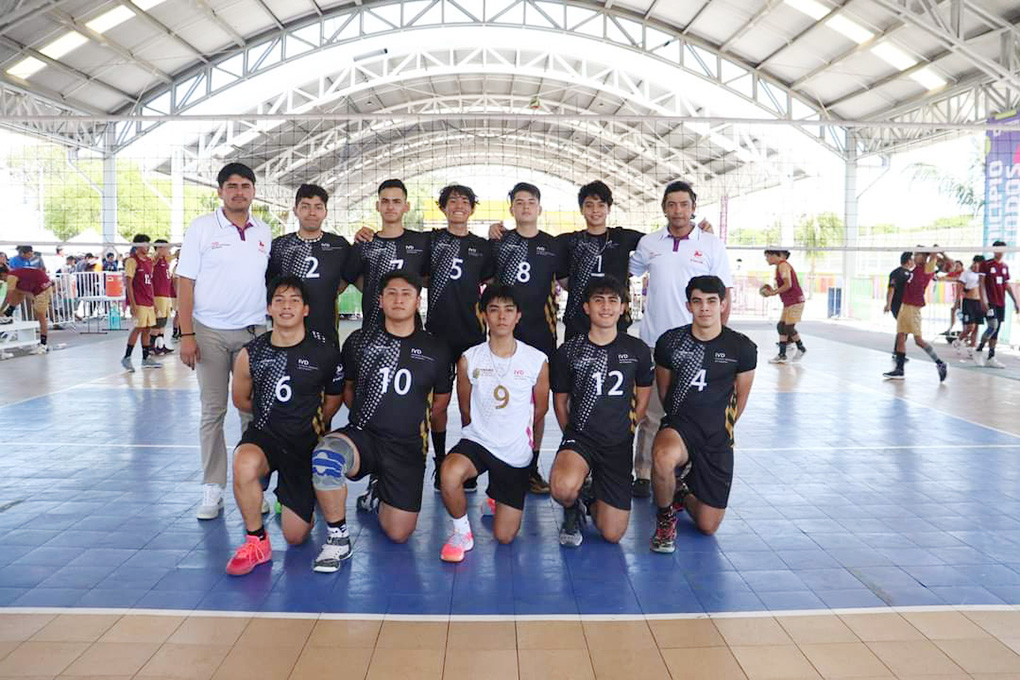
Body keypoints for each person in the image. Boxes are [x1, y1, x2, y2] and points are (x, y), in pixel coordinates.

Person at [309, 271, 452, 569]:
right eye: (392, 293)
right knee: (327, 457)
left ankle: (378, 491)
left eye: (406, 294)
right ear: (380, 300)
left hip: (407, 447)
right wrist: (368, 416)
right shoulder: (359, 342)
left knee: (398, 533)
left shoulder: (436, 348)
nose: (398, 299)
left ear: (417, 301)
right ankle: (338, 538)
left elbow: (440, 404)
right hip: (365, 437)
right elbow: (348, 389)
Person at [224, 276, 345, 576]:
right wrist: (274, 414)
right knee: (243, 462)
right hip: (265, 436)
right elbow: (241, 400)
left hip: (304, 444)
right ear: (269, 308)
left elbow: (334, 399)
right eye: (279, 300)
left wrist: (311, 422)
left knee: (295, 536)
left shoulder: (324, 352)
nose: (286, 306)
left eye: (294, 300)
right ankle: (256, 541)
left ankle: (299, 499)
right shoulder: (252, 353)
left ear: (305, 309)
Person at [177, 162, 271, 520]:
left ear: (254, 191)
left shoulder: (264, 231)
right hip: (210, 332)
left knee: (253, 412)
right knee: (213, 411)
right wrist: (187, 334)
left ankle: (254, 486)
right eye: (231, 186)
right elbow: (185, 283)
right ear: (220, 192)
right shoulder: (202, 228)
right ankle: (212, 488)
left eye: (245, 186)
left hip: (253, 332)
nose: (239, 192)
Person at [628, 180, 727, 499]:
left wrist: (716, 340)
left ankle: (689, 473)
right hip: (655, 342)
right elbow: (626, 268)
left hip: (696, 344)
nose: (678, 210)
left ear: (693, 207)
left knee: (695, 411)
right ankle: (644, 473)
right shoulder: (649, 243)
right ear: (664, 208)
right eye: (671, 204)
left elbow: (724, 294)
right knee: (651, 413)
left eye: (684, 204)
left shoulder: (711, 244)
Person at [437, 284, 548, 562]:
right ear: (484, 314)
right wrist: (482, 430)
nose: (501, 316)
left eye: (508, 310)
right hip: (479, 442)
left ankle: (495, 496)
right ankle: (462, 533)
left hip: (514, 453)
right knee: (448, 473)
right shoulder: (469, 359)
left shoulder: (537, 360)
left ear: (518, 316)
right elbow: (465, 407)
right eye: (494, 309)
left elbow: (540, 409)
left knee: (505, 536)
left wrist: (513, 432)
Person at [650, 276, 756, 550]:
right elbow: (665, 391)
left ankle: (681, 492)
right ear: (688, 305)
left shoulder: (742, 348)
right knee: (663, 457)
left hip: (717, 437)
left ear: (723, 304)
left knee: (708, 526)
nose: (704, 308)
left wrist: (719, 429)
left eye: (711, 301)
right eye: (697, 301)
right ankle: (665, 518)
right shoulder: (670, 342)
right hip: (680, 429)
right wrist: (679, 422)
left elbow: (741, 398)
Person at [549, 276, 653, 547]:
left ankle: (589, 496)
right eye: (598, 300)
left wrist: (629, 428)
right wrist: (571, 435)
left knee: (612, 534)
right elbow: (560, 402)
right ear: (586, 307)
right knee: (562, 487)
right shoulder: (569, 351)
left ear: (622, 307)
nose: (606, 307)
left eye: (612, 301)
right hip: (581, 438)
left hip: (617, 443)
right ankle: (571, 506)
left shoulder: (637, 350)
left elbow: (643, 396)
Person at [490, 182, 568, 494]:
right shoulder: (499, 243)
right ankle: (499, 467)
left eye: (530, 201)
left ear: (539, 208)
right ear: (511, 208)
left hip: (541, 335)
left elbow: (569, 282)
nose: (525, 206)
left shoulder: (553, 245)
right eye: (519, 202)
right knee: (499, 401)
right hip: (504, 336)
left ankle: (531, 468)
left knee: (537, 405)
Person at [419, 184, 494, 494]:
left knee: (470, 406)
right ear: (443, 207)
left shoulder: (482, 246)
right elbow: (421, 275)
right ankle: (440, 462)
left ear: (472, 208)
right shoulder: (431, 241)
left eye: (465, 201)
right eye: (452, 201)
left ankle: (468, 463)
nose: (459, 205)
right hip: (437, 334)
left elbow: (491, 283)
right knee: (438, 406)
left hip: (471, 336)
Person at [267, 184, 350, 346]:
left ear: (325, 212)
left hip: (325, 332)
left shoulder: (339, 245)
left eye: (318, 207)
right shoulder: (280, 245)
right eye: (305, 207)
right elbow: (271, 284)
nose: (312, 212)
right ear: (295, 210)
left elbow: (349, 277)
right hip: (287, 333)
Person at [344, 179, 430, 329]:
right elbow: (349, 277)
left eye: (396, 201)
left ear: (406, 206)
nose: (390, 207)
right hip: (373, 327)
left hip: (410, 329)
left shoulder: (422, 242)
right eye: (385, 201)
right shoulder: (365, 242)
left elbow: (428, 278)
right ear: (378, 206)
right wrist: (373, 289)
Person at [883, 249, 948, 381]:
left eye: (917, 255)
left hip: (913, 308)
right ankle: (899, 369)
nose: (914, 257)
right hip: (904, 306)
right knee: (900, 336)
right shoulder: (914, 269)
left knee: (918, 340)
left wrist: (934, 251)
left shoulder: (927, 268)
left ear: (924, 257)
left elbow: (936, 255)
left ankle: (940, 363)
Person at [121, 234, 161, 372]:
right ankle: (127, 357)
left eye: (148, 244)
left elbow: (150, 283)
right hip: (139, 301)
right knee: (138, 328)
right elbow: (129, 283)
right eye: (145, 244)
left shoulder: (149, 261)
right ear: (137, 246)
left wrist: (154, 302)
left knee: (147, 328)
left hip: (148, 301)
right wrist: (132, 304)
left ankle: (146, 358)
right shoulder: (132, 261)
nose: (147, 246)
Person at [975, 240, 1018, 369]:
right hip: (990, 302)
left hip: (1001, 302)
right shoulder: (986, 264)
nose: (1000, 252)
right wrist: (983, 300)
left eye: (1003, 249)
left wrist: (1015, 301)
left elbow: (1007, 285)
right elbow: (981, 283)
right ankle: (978, 350)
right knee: (993, 325)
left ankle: (991, 357)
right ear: (994, 250)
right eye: (998, 249)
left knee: (996, 330)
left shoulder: (1004, 266)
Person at [761, 249, 807, 364]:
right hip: (789, 301)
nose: (766, 259)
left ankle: (801, 348)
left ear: (775, 255)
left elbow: (788, 284)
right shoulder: (780, 267)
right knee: (781, 326)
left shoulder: (783, 266)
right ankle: (782, 354)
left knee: (788, 327)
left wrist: (773, 292)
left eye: (767, 256)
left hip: (795, 301)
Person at [0, 264, 53, 354]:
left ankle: (43, 345)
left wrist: (1, 309)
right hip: (38, 286)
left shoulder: (11, 277)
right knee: (16, 289)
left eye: (2, 279)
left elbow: (8, 297)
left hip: (42, 289)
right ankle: (8, 314)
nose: (3, 281)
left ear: (3, 274)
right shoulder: (15, 273)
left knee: (41, 317)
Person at [884, 252, 914, 360]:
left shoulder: (911, 274)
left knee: (904, 328)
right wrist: (888, 304)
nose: (914, 262)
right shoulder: (897, 273)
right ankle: (898, 353)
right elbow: (891, 289)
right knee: (903, 328)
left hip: (906, 305)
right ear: (908, 261)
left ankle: (898, 352)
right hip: (897, 304)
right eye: (912, 259)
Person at [955, 256, 984, 359]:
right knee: (970, 327)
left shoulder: (983, 275)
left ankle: (972, 348)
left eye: (978, 263)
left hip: (979, 302)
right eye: (975, 263)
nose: (976, 265)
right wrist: (957, 302)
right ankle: (958, 340)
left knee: (976, 326)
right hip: (968, 302)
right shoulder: (966, 274)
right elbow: (959, 288)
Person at [151, 239, 175, 355]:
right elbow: (153, 258)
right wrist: (158, 252)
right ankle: (151, 346)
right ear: (159, 248)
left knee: (163, 321)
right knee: (158, 321)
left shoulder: (165, 260)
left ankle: (160, 345)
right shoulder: (154, 260)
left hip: (166, 295)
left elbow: (176, 255)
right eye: (166, 248)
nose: (168, 250)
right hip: (158, 295)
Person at [940, 260, 965, 337]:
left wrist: (947, 278)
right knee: (954, 311)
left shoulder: (963, 273)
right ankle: (951, 328)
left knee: (961, 313)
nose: (956, 267)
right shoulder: (953, 273)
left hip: (964, 297)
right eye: (955, 266)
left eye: (957, 266)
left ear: (961, 267)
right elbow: (944, 278)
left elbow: (957, 279)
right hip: (957, 297)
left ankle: (964, 331)